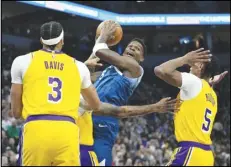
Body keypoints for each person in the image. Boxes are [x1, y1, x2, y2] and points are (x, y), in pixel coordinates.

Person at [10, 21, 101, 166]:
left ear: (41, 40)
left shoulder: (21, 62)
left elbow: (15, 112)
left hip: (36, 128)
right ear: (62, 41)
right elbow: (96, 104)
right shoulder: (79, 67)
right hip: (67, 130)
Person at [89, 21, 147, 166]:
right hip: (87, 115)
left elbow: (99, 51)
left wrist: (103, 36)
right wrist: (89, 66)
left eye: (137, 49)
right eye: (130, 46)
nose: (132, 47)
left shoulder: (135, 68)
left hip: (105, 121)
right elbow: (85, 81)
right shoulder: (107, 71)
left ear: (141, 58)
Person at [154, 48, 220, 166]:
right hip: (206, 155)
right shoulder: (212, 95)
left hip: (190, 151)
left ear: (200, 66)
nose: (190, 65)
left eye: (193, 62)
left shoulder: (194, 82)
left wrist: (184, 59)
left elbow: (160, 70)